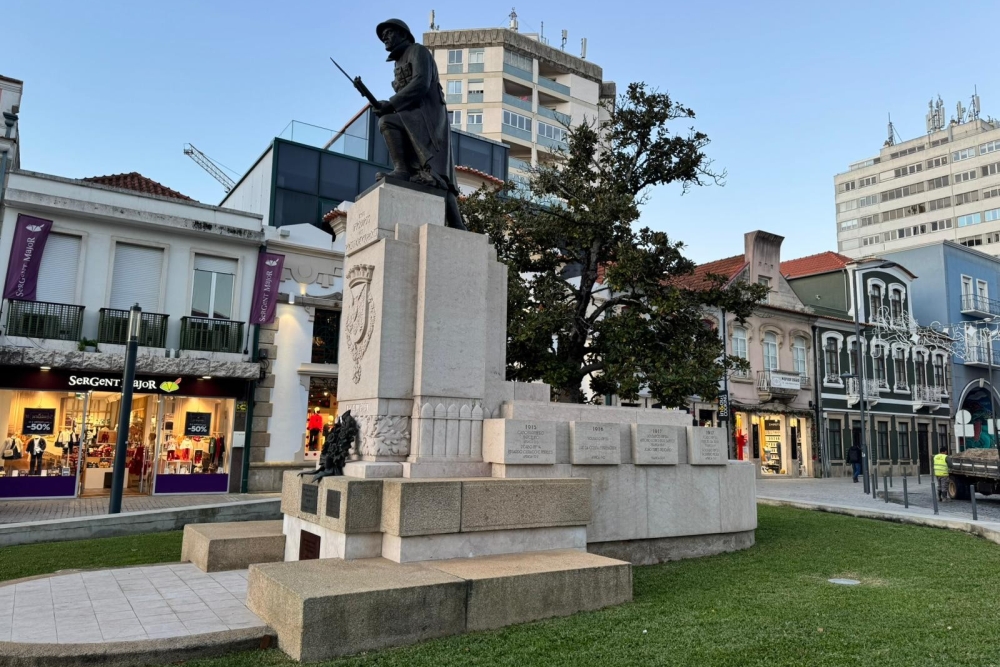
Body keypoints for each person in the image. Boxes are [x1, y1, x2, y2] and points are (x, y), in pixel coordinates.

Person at [372, 18, 466, 230]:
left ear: (403, 34)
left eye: (388, 32)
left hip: (428, 117)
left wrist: (391, 104)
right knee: (388, 122)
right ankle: (403, 169)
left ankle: (402, 170)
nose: (384, 37)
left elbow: (421, 83)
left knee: (436, 171)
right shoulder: (398, 62)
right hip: (411, 116)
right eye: (382, 35)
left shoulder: (417, 51)